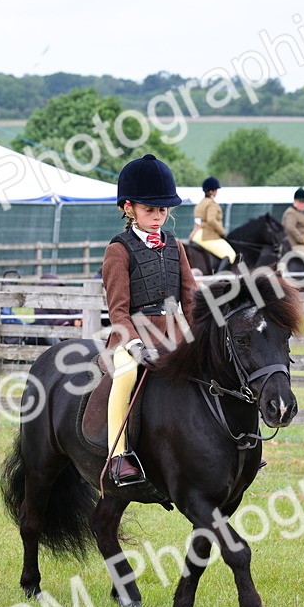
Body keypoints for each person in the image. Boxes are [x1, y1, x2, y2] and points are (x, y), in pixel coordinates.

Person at [101, 154, 197, 485]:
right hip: (131, 337)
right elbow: (118, 310)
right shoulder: (119, 250)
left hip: (173, 335)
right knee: (126, 375)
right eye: (149, 210)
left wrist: (206, 332)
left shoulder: (176, 246)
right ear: (129, 209)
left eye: (162, 210)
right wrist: (136, 344)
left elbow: (191, 298)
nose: (157, 218)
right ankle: (118, 456)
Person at [192, 176, 236, 273]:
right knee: (230, 254)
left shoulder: (200, 204)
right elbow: (211, 220)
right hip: (207, 236)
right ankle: (218, 277)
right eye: (216, 190)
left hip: (196, 235)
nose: (217, 192)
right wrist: (223, 232)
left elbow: (197, 222)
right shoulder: (212, 204)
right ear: (212, 191)